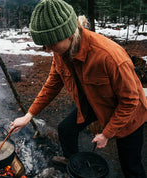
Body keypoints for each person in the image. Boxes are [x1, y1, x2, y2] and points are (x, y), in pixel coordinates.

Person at [10, 0, 147, 177]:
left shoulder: (109, 56)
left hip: (129, 114)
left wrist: (106, 134)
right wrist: (28, 116)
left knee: (131, 165)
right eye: (45, 45)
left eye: (51, 43)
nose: (48, 49)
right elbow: (53, 83)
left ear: (68, 34)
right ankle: (74, 164)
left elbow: (130, 101)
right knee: (66, 129)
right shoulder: (61, 52)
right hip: (93, 101)